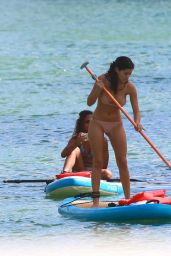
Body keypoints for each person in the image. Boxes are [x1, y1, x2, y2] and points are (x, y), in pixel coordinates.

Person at [87, 56, 143, 206]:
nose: (128, 77)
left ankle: (127, 199)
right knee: (98, 161)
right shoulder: (103, 80)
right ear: (117, 70)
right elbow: (89, 102)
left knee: (123, 161)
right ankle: (95, 201)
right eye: (125, 73)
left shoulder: (130, 87)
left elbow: (136, 111)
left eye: (130, 74)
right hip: (98, 123)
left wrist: (137, 122)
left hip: (116, 124)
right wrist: (97, 89)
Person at [61, 110, 112, 180]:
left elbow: (104, 166)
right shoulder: (76, 138)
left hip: (93, 172)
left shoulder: (102, 141)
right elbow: (63, 154)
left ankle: (83, 177)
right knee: (75, 150)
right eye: (87, 122)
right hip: (79, 171)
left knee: (108, 173)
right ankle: (64, 174)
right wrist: (76, 144)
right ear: (82, 124)